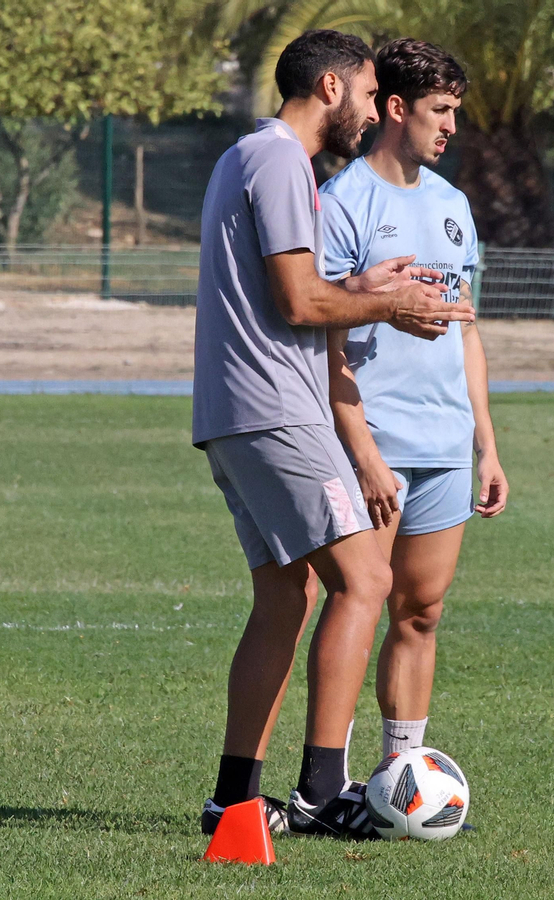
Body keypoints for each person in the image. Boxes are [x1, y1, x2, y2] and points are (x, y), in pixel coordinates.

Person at [191, 28, 474, 839]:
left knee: (286, 597)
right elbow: (299, 304)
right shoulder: (283, 160)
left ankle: (233, 801)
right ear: (330, 88)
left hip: (233, 412)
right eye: (368, 92)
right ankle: (322, 793)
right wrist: (389, 302)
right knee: (366, 580)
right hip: (277, 408)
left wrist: (356, 284)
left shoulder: (244, 156)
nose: (372, 109)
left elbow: (295, 289)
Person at [319, 39, 509, 765]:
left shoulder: (453, 204)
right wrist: (363, 453)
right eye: (441, 110)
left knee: (421, 613)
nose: (452, 126)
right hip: (374, 443)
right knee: (358, 604)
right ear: (396, 108)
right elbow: (323, 340)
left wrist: (486, 445)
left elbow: (467, 331)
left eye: (455, 110)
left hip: (445, 447)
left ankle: (401, 776)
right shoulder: (343, 202)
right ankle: (327, 784)